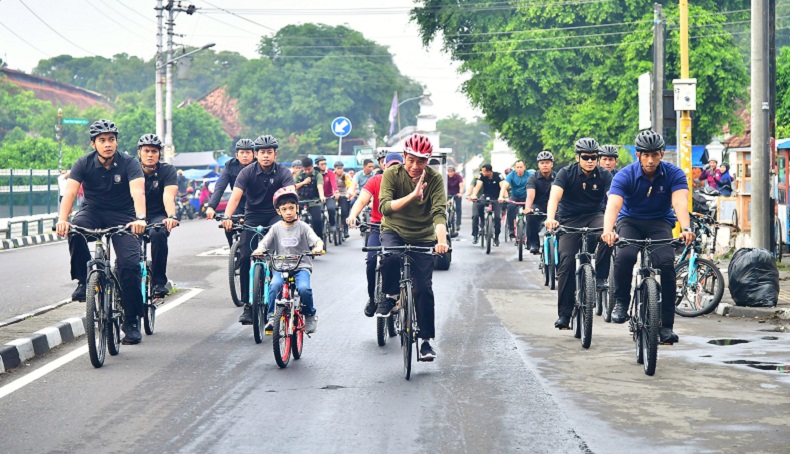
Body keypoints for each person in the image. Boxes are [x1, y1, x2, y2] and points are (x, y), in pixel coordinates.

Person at [55, 119, 147, 345]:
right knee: (75, 230)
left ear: (116, 142)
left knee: (130, 265)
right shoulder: (83, 163)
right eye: (102, 140)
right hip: (92, 211)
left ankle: (132, 320)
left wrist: (140, 219)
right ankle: (83, 281)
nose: (108, 144)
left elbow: (138, 193)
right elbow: (70, 193)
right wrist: (62, 220)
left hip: (124, 216)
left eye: (112, 140)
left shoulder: (129, 163)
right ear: (93, 143)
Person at [601, 130, 695, 344]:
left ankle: (666, 326)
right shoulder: (625, 175)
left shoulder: (674, 174)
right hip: (630, 221)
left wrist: (686, 228)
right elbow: (613, 205)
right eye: (646, 155)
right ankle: (622, 302)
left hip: (660, 222)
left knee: (666, 264)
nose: (650, 160)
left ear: (662, 154)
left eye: (655, 155)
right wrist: (608, 230)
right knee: (625, 256)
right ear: (638, 155)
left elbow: (680, 202)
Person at [378, 133, 448, 360]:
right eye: (411, 160)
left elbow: (438, 213)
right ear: (404, 156)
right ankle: (390, 296)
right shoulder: (392, 174)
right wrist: (413, 195)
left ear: (428, 161)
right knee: (389, 256)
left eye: (421, 161)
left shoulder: (435, 179)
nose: (415, 166)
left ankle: (426, 341)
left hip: (422, 235)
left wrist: (442, 241)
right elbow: (385, 207)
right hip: (394, 230)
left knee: (424, 289)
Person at [222, 134, 295, 324]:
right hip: (252, 215)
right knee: (246, 256)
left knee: (280, 256)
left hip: (275, 214)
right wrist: (227, 217)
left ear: (275, 154)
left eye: (269, 152)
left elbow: (290, 196)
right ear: (256, 154)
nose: (265, 156)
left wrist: (290, 218)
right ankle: (248, 304)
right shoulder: (246, 173)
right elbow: (235, 197)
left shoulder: (284, 173)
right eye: (262, 152)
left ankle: (282, 293)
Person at [544, 138, 613, 330]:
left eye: (594, 157)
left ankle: (599, 277)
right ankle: (565, 315)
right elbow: (554, 197)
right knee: (566, 262)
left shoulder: (604, 176)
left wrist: (614, 222)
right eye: (586, 157)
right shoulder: (566, 173)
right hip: (569, 220)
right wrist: (551, 218)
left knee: (608, 236)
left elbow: (612, 199)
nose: (590, 161)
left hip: (595, 216)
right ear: (578, 157)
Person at [253, 186, 323, 334]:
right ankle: (272, 317)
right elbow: (264, 243)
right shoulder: (276, 228)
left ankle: (310, 315)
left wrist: (318, 247)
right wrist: (259, 250)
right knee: (274, 286)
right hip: (280, 267)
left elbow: (317, 241)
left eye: (291, 208)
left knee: (304, 288)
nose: (289, 212)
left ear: (297, 208)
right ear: (279, 211)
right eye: (284, 209)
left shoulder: (303, 227)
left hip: (300, 267)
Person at [347, 152, 404, 317]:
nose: (393, 169)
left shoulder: (406, 181)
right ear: (383, 166)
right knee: (371, 260)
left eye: (396, 166)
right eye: (389, 165)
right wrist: (353, 215)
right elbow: (362, 200)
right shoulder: (375, 181)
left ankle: (402, 291)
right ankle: (372, 298)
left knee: (400, 259)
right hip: (377, 226)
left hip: (401, 228)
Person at [137, 133, 179, 297]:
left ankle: (159, 282)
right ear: (139, 152)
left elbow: (168, 196)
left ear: (159, 154)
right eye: (146, 151)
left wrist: (171, 216)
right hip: (133, 215)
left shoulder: (167, 170)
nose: (150, 155)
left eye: (154, 151)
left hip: (157, 215)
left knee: (159, 232)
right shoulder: (130, 170)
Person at [206, 138, 256, 246]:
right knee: (227, 223)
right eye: (242, 152)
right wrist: (211, 207)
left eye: (248, 152)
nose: (245, 155)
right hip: (238, 203)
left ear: (254, 154)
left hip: (256, 203)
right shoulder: (230, 166)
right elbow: (220, 187)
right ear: (237, 155)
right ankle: (233, 249)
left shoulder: (259, 165)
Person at [524, 151, 556, 253]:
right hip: (538, 205)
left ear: (552, 164)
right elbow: (530, 195)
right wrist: (528, 208)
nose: (545, 165)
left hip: (554, 205)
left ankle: (561, 244)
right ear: (538, 165)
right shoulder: (533, 178)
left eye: (547, 162)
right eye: (542, 163)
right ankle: (534, 244)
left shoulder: (558, 177)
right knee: (531, 215)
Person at [469, 164, 505, 246]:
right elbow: (478, 185)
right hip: (485, 196)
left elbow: (503, 187)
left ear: (489, 171)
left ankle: (496, 237)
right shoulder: (481, 176)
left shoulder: (498, 175)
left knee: (497, 217)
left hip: (496, 198)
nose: (483, 172)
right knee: (476, 214)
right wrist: (474, 195)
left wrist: (502, 196)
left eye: (484, 171)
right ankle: (475, 234)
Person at [295, 157, 326, 238]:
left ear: (312, 166)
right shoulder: (299, 175)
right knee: (292, 219)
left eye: (309, 169)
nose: (307, 171)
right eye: (305, 169)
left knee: (317, 220)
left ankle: (319, 241)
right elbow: (293, 186)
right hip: (301, 200)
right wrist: (304, 182)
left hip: (314, 200)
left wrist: (322, 196)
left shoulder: (317, 175)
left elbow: (320, 186)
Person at [500, 160, 529, 240]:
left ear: (524, 167)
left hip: (527, 197)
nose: (519, 169)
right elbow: (504, 186)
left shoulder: (530, 174)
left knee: (531, 212)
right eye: (517, 167)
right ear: (515, 168)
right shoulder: (511, 175)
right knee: (510, 208)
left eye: (521, 167)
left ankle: (530, 231)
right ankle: (511, 230)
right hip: (515, 197)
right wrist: (501, 196)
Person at [316, 155, 342, 238]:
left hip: (329, 196)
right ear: (317, 165)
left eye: (325, 164)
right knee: (318, 213)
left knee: (331, 209)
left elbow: (333, 183)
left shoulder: (330, 173)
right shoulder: (315, 173)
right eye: (321, 164)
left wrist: (336, 192)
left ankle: (332, 224)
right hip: (318, 197)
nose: (324, 165)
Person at [334, 161, 354, 236]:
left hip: (344, 194)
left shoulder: (346, 176)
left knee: (345, 212)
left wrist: (349, 194)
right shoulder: (332, 175)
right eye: (338, 168)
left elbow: (349, 185)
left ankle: (345, 229)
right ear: (335, 169)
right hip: (334, 194)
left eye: (341, 168)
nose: (340, 170)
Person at [446, 165, 464, 230]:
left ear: (454, 172)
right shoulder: (446, 177)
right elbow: (443, 185)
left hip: (457, 194)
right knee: (446, 206)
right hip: (448, 194)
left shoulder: (458, 177)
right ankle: (446, 220)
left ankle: (458, 224)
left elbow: (461, 185)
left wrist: (460, 193)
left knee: (458, 208)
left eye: (451, 172)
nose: (450, 173)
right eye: (449, 172)